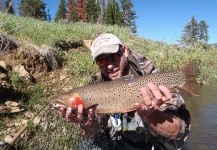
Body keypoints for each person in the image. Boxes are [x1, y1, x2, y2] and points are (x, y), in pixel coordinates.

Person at [58, 33, 191, 150]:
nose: (109, 66)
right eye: (102, 62)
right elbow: (92, 132)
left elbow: (178, 132)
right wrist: (86, 124)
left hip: (155, 143)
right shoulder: (97, 89)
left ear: (125, 51)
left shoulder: (150, 77)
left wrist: (151, 116)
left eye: (114, 56)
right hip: (120, 142)